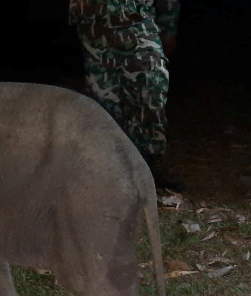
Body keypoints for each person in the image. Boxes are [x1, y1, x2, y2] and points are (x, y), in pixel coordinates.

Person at [69, 0, 184, 191]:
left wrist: (168, 28)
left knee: (151, 90)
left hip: (137, 25)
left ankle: (150, 167)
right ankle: (112, 171)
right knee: (104, 104)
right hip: (95, 31)